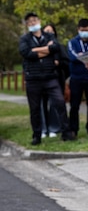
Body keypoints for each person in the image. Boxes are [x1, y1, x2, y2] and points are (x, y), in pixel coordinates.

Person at [19, 12, 74, 145]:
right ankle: (37, 135)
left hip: (50, 77)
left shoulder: (49, 36)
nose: (33, 23)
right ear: (27, 24)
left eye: (34, 20)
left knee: (60, 103)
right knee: (35, 108)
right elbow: (26, 53)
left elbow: (55, 48)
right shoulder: (24, 39)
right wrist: (46, 49)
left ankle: (66, 132)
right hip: (33, 78)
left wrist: (37, 50)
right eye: (30, 21)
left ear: (39, 21)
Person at [40, 23, 68, 137]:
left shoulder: (60, 47)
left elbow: (66, 63)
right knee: (41, 104)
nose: (49, 34)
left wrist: (58, 64)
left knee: (55, 104)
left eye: (51, 31)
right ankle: (43, 129)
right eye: (47, 31)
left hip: (55, 79)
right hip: (40, 79)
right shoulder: (38, 48)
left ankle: (54, 128)